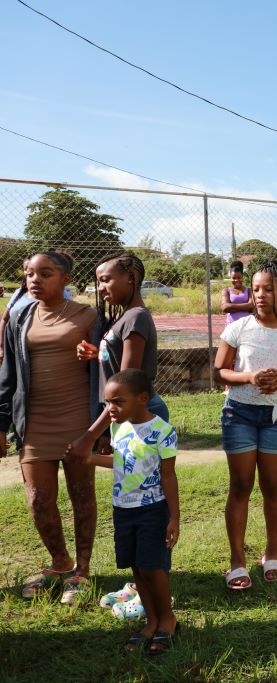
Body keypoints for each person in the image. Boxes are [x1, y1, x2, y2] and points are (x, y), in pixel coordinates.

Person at [0, 251, 98, 604]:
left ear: (66, 279)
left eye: (45, 273)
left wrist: (96, 354)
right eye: (29, 273)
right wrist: (1, 423)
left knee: (82, 495)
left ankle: (82, 570)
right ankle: (60, 562)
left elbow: (107, 365)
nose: (35, 279)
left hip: (77, 421)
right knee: (38, 500)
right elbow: (8, 374)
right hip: (34, 422)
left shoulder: (87, 315)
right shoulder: (19, 317)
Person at [214, 260, 277, 589]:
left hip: (276, 417)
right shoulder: (238, 329)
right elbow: (220, 372)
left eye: (268, 288)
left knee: (272, 485)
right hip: (239, 415)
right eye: (256, 289)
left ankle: (272, 553)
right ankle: (236, 561)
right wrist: (249, 378)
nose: (260, 294)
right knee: (241, 485)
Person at [71, 369, 179, 654]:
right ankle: (152, 620)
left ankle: (168, 619)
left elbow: (169, 476)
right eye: (107, 402)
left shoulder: (163, 432)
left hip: (153, 510)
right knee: (135, 565)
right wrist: (92, 458)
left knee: (152, 567)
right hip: (123, 509)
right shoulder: (118, 428)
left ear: (142, 398)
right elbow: (122, 461)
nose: (111, 409)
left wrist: (174, 517)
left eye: (118, 401)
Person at [69, 254, 170, 466]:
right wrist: (98, 353)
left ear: (131, 278)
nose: (100, 288)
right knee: (130, 480)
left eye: (106, 280)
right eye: (99, 282)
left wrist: (90, 436)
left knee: (143, 484)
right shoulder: (127, 317)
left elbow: (126, 386)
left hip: (139, 411)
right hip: (125, 410)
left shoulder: (136, 317)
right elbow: (122, 365)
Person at [221, 260, 253, 325]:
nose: (236, 280)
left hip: (247, 324)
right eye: (234, 278)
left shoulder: (249, 290)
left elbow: (251, 306)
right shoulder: (226, 291)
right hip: (231, 324)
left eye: (239, 277)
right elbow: (224, 308)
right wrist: (245, 307)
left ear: (242, 277)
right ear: (230, 278)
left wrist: (230, 306)